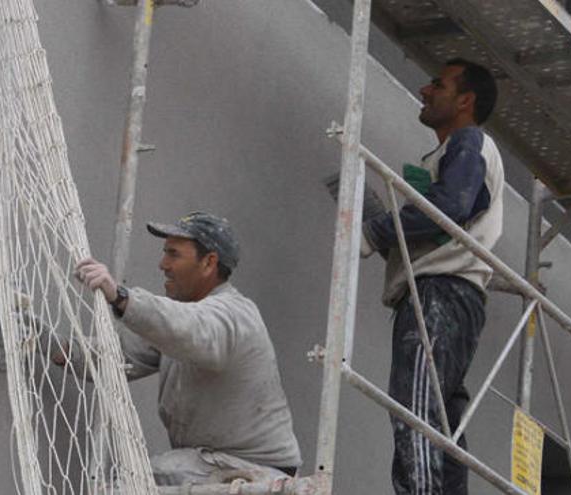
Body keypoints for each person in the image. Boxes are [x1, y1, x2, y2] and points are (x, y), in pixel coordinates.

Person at [72, 211, 302, 486]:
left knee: (135, 482)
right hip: (213, 463)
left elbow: (187, 328)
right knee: (137, 480)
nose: (163, 264)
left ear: (209, 263)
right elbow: (113, 358)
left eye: (174, 254)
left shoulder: (233, 315)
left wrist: (121, 296)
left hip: (255, 472)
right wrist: (45, 341)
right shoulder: (180, 323)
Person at [359, 59, 503, 495]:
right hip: (453, 295)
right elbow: (444, 219)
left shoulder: (467, 142)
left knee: (416, 409)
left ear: (466, 100)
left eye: (437, 85)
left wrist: (375, 229)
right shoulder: (455, 151)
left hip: (440, 293)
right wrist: (389, 230)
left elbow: (451, 209)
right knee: (440, 421)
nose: (424, 90)